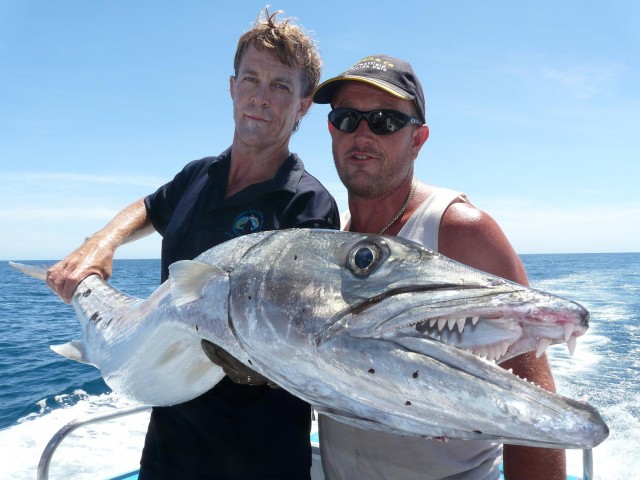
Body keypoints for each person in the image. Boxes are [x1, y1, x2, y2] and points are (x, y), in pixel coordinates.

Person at [46, 8, 340, 479]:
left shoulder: (307, 206)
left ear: (304, 106)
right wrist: (101, 244)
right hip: (168, 448)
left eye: (281, 86)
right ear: (231, 87)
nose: (260, 98)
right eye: (251, 79)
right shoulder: (197, 175)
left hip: (259, 459)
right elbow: (149, 206)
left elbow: (300, 340)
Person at [312, 55, 566, 480]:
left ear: (418, 139)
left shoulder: (459, 231)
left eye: (385, 121)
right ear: (331, 130)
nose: (362, 134)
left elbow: (531, 408)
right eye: (346, 118)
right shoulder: (332, 241)